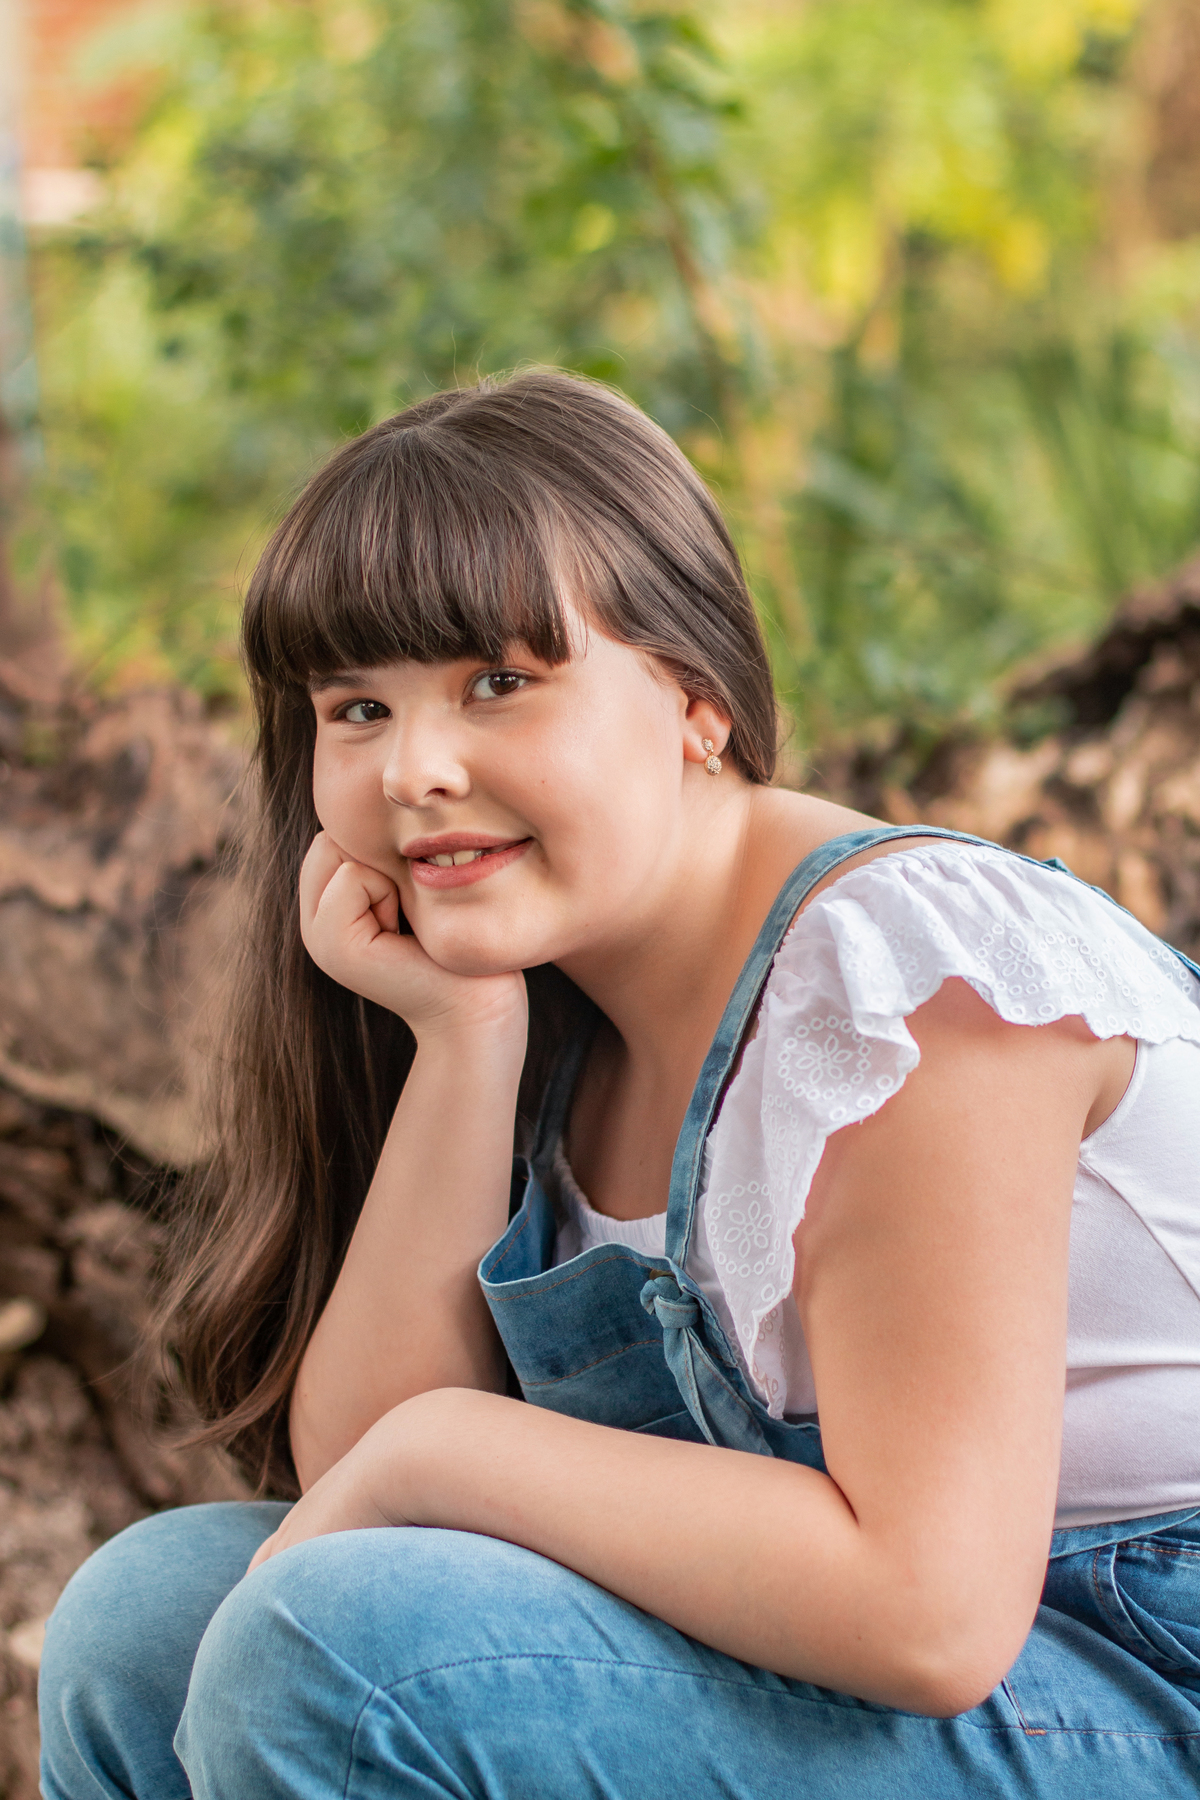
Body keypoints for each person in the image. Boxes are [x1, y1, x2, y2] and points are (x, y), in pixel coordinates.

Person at [38, 370, 1200, 1800]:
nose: (416, 770)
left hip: (1138, 1677)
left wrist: (460, 1448)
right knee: (148, 1618)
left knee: (337, 1655)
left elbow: (932, 1610)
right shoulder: (565, 982)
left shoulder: (904, 978)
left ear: (695, 697)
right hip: (900, 1674)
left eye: (497, 685)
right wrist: (464, 1041)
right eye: (357, 709)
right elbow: (354, 1483)